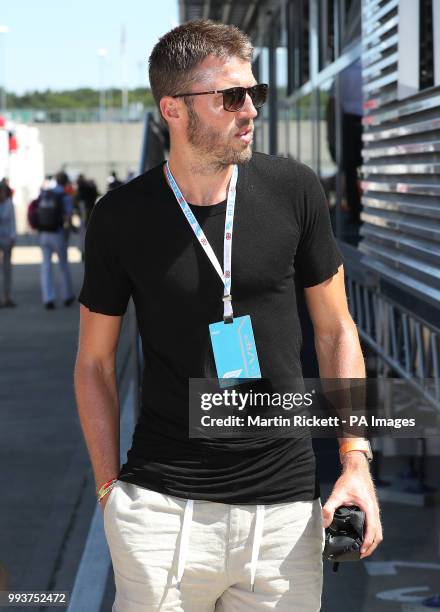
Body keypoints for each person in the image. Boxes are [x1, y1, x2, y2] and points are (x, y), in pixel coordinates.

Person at [75, 20, 382, 611]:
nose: (251, 111)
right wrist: (110, 492)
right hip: (163, 512)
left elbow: (336, 330)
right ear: (174, 108)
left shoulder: (295, 190)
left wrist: (354, 459)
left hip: (285, 517)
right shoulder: (121, 217)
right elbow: (93, 363)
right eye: (231, 97)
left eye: (255, 94)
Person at [38, 171, 75, 310]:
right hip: (57, 233)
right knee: (63, 265)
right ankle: (67, 296)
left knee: (46, 266)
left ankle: (48, 298)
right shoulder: (64, 196)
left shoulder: (46, 193)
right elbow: (68, 216)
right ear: (65, 182)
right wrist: (70, 230)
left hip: (44, 233)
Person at [0, 180, 17, 308]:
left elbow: (12, 222)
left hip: (6, 240)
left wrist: (13, 237)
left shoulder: (9, 204)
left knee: (7, 270)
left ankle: (7, 296)